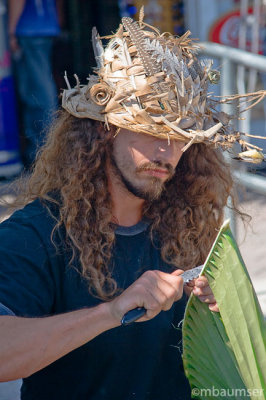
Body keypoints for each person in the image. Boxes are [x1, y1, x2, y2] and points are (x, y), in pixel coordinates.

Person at [0, 13, 263, 400]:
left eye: (179, 136)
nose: (165, 152)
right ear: (105, 129)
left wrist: (228, 319)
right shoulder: (36, 233)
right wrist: (112, 312)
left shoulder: (189, 225)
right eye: (150, 130)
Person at [7, 0, 61, 167]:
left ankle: (43, 153)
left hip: (29, 28)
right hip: (46, 25)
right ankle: (47, 150)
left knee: (37, 94)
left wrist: (11, 30)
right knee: (42, 91)